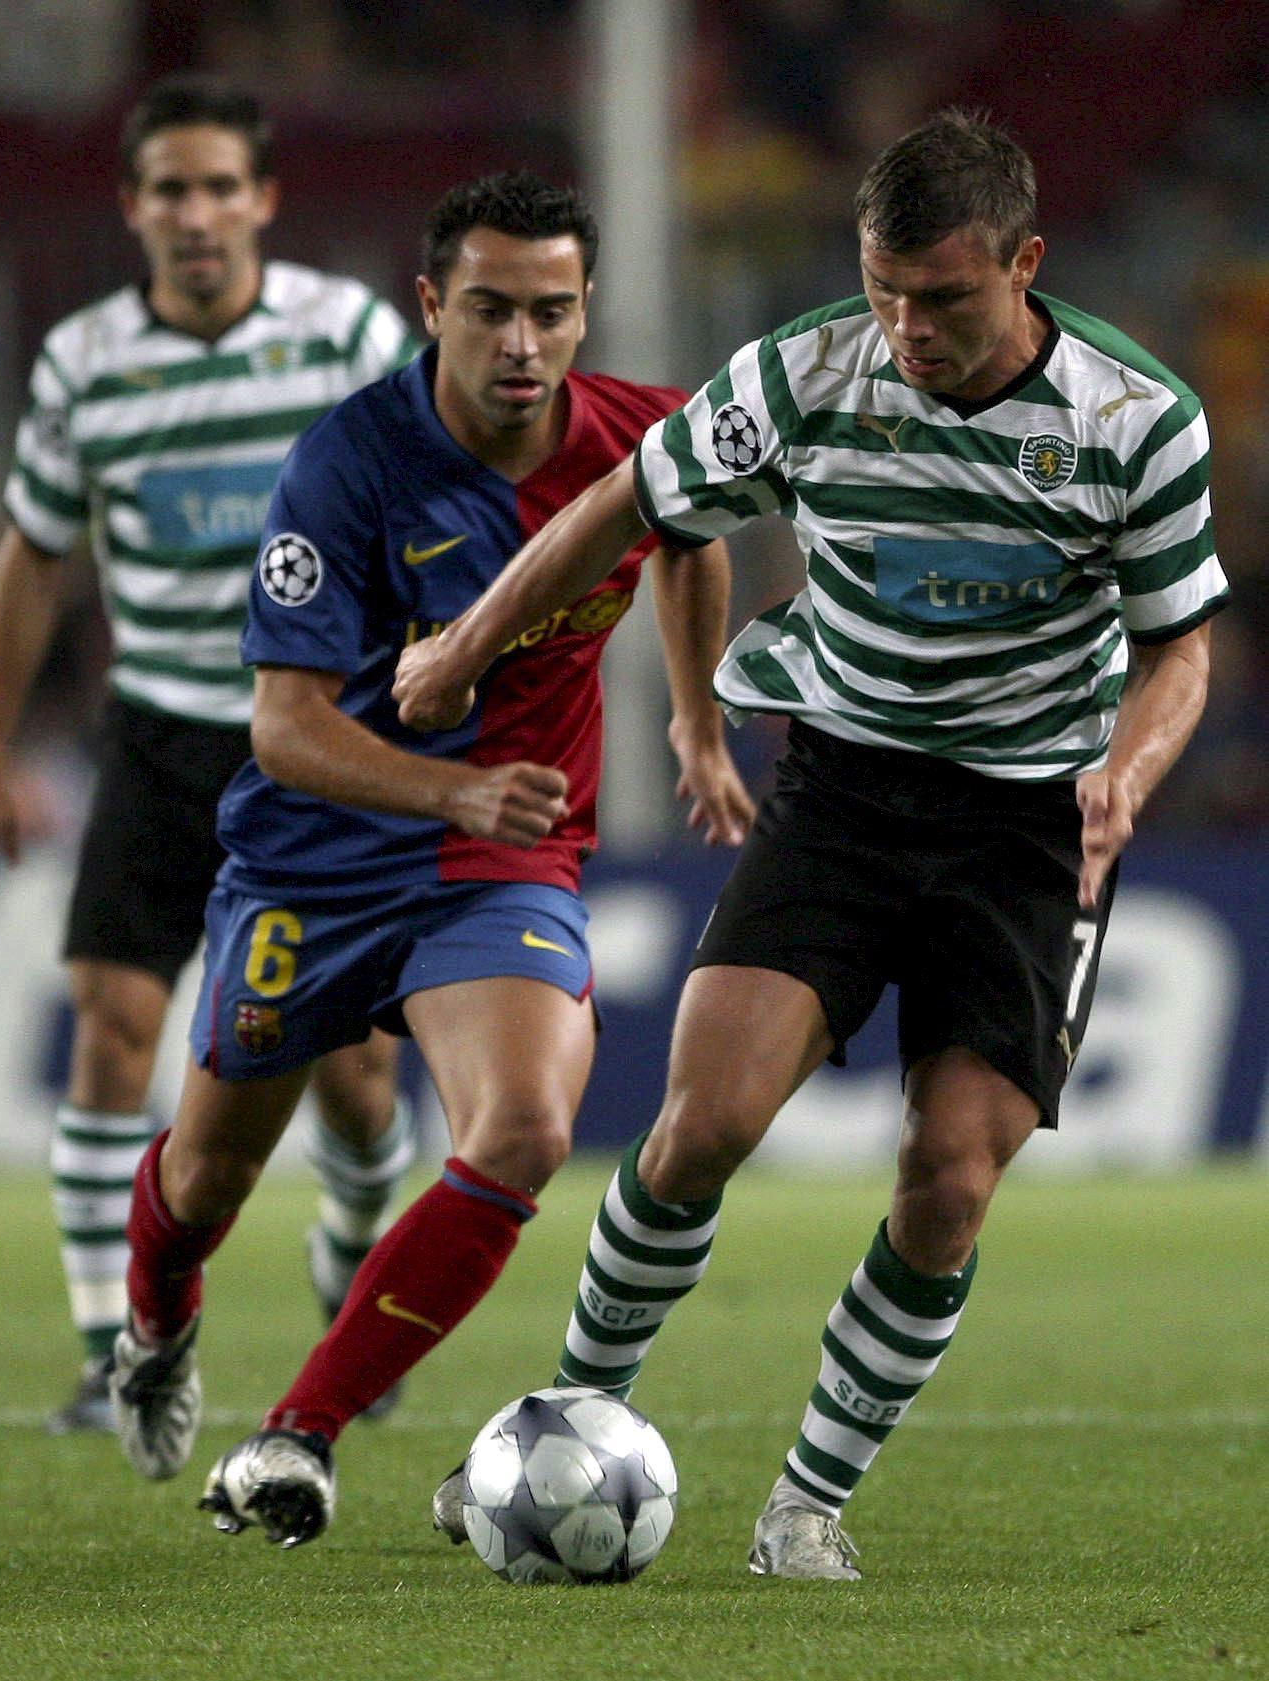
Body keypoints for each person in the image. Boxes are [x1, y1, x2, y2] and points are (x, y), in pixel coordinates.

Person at [394, 110, 1228, 1579]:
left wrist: (1125, 773)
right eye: (884, 288)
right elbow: (626, 505)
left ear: (1026, 266)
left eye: (946, 299)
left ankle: (806, 1506)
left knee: (952, 1176)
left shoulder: (1138, 421)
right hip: (845, 786)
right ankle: (565, 1420)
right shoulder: (804, 372)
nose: (905, 327)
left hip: (1032, 822)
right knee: (699, 1124)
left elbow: (1180, 651)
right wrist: (465, 644)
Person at [106, 170, 753, 1535]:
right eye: (490, 310)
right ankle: (156, 1325)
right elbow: (283, 731)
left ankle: (299, 1433)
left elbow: (689, 537)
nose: (521, 343)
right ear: (430, 306)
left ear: (586, 313)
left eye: (551, 312)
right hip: (314, 863)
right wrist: (449, 791)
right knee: (204, 1179)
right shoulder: (346, 467)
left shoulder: (645, 434)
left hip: (500, 867)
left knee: (521, 1128)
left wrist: (695, 715)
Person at [0, 74, 419, 1434]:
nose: (198, 214)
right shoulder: (84, 361)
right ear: (134, 207)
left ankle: (349, 1274)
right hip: (159, 731)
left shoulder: (347, 334)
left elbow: (432, 501)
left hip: (326, 737)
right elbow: (33, 558)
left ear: (263, 199)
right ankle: (113, 1347)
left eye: (222, 187)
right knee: (111, 1028)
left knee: (358, 1064)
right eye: (172, 189)